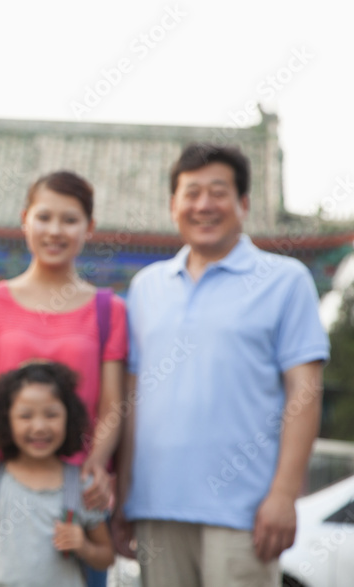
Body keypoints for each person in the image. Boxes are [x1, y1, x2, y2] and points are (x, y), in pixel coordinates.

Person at [116, 143, 329, 587]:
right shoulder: (146, 287)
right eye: (191, 193)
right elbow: (132, 401)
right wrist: (124, 498)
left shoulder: (285, 280)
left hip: (244, 513)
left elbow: (304, 392)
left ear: (244, 204)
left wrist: (284, 494)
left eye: (218, 192)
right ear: (173, 205)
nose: (203, 205)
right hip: (156, 508)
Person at [0, 170, 127, 587]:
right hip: (2, 488)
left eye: (69, 220)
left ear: (89, 228)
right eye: (44, 217)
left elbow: (113, 403)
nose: (55, 230)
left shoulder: (109, 309)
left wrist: (96, 465)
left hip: (73, 493)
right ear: (25, 219)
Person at [0, 362, 114, 587]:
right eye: (25, 416)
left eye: (51, 415)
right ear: (6, 419)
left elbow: (106, 557)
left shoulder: (83, 486)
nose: (40, 426)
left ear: (69, 416)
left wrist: (84, 546)